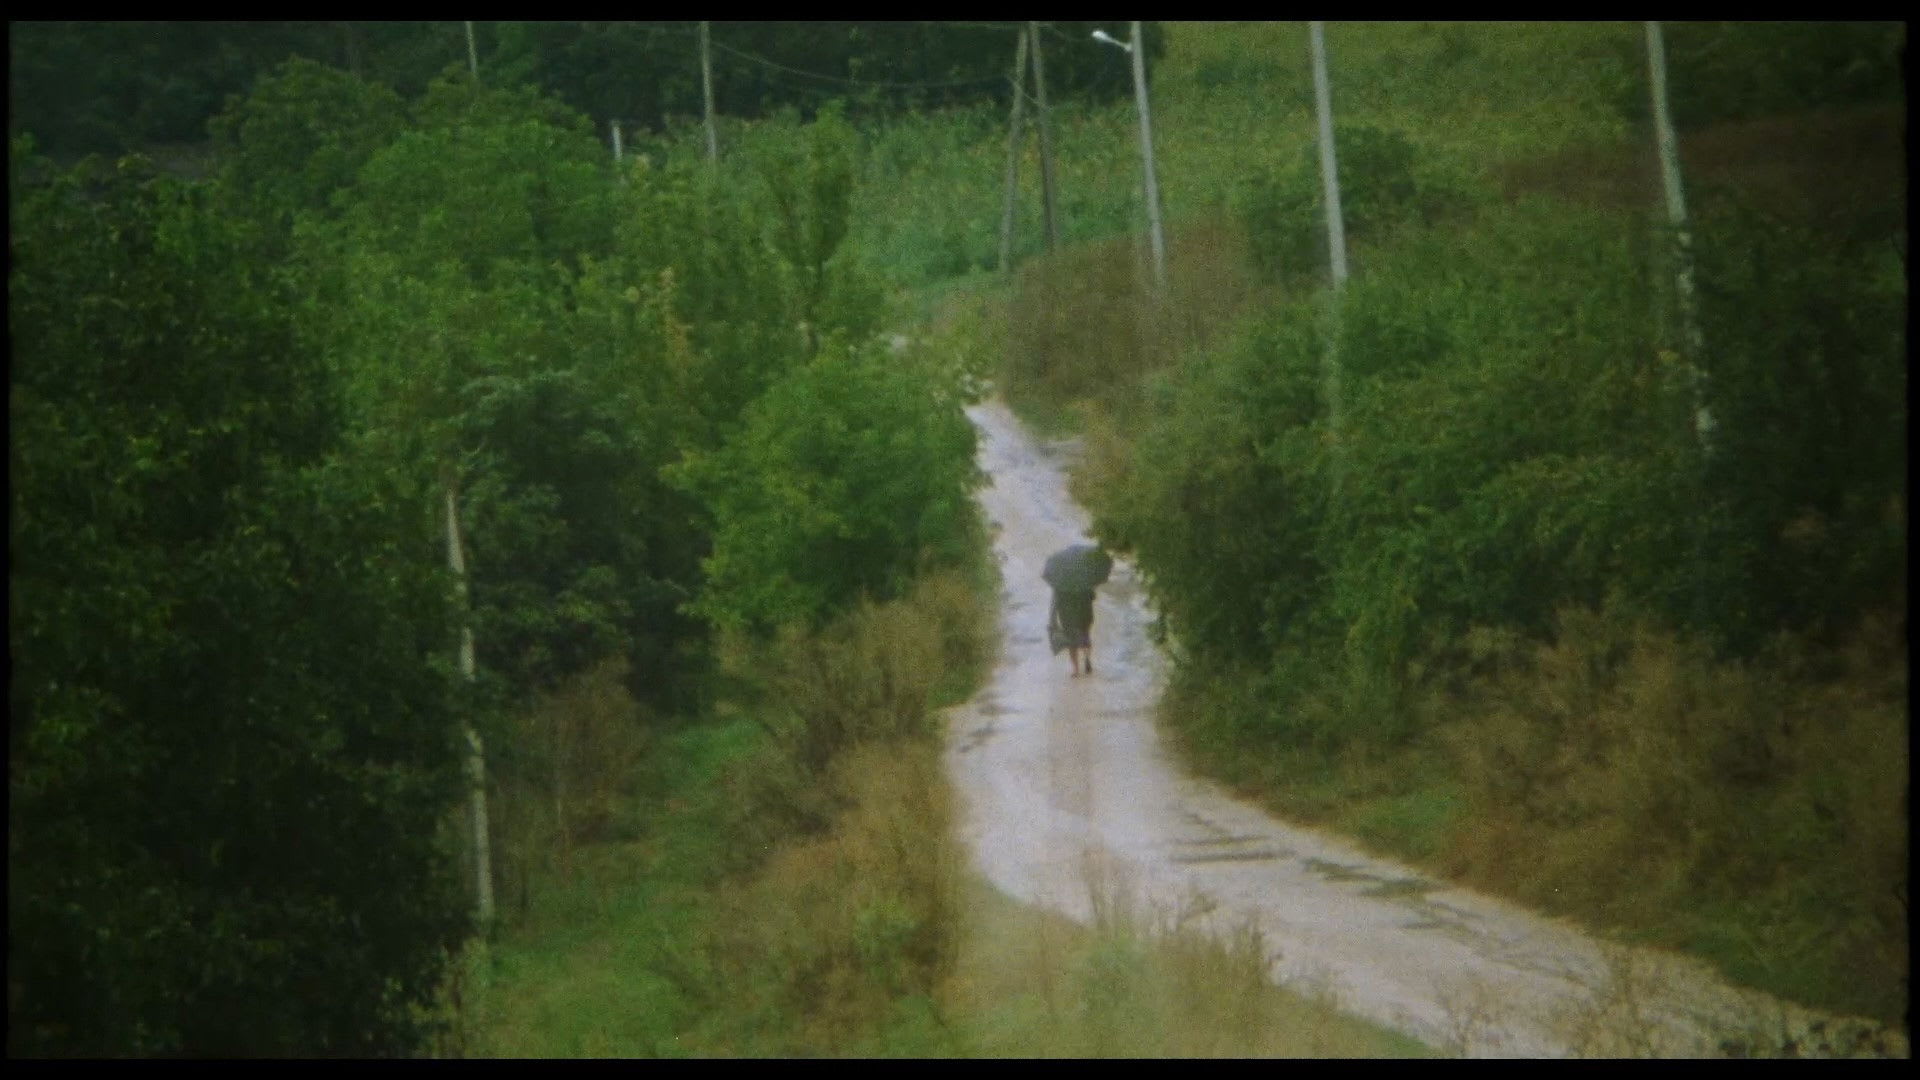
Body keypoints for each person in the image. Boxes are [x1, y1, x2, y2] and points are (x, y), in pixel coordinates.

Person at [1049, 583, 1097, 677]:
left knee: (1071, 640)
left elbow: (1055, 602)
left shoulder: (1060, 582)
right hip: (1085, 613)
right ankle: (1086, 656)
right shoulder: (1085, 579)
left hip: (1067, 615)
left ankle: (1076, 669)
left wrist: (1053, 620)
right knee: (1085, 635)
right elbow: (1093, 596)